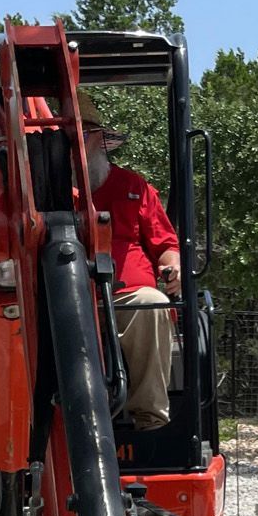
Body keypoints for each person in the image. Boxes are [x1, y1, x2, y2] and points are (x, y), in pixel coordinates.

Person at [77, 89, 179, 432]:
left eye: (84, 133)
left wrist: (173, 265)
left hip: (128, 296)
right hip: (72, 297)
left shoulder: (134, 187)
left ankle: (149, 420)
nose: (76, 141)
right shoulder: (48, 191)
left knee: (152, 302)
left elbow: (166, 244)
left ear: (100, 139)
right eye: (68, 134)